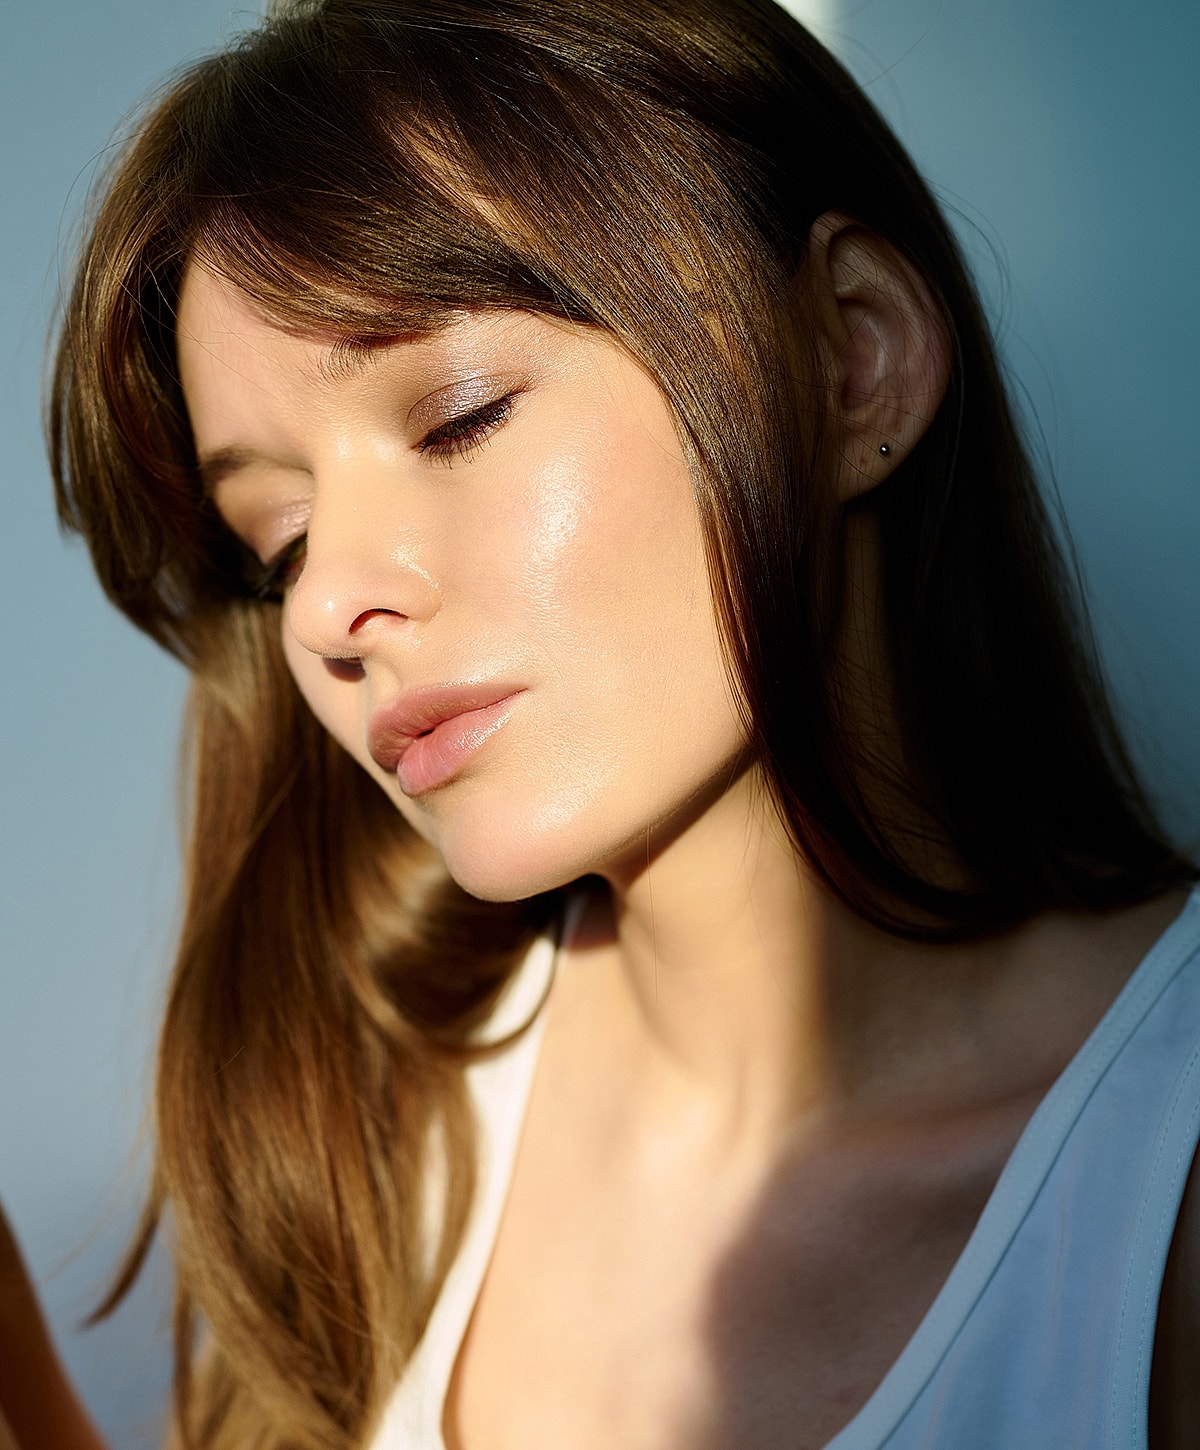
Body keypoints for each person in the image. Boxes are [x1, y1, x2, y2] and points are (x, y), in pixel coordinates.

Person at [11, 0, 1197, 1445]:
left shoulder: (1160, 1189)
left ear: (854, 356)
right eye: (281, 539)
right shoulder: (361, 1142)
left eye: (455, 417)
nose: (326, 609)